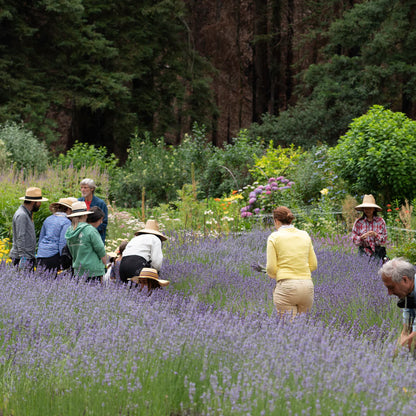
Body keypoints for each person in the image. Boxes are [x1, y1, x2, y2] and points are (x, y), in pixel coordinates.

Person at [266, 206, 317, 317]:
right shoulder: (304, 235)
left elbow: (271, 268)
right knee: (303, 327)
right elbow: (313, 265)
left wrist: (275, 275)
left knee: (289, 330)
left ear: (276, 221)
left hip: (286, 287)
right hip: (307, 287)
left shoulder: (274, 237)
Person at [378, 257, 416, 351]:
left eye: (391, 287)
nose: (389, 293)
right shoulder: (408, 294)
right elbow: (406, 330)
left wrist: (392, 356)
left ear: (405, 280)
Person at [65, 201, 107, 282]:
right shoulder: (89, 230)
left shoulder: (69, 231)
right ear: (85, 215)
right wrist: (104, 265)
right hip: (93, 271)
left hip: (78, 270)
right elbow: (101, 250)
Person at [10, 187, 48, 269]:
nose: (40, 204)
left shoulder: (28, 214)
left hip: (28, 256)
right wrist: (22, 258)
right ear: (33, 202)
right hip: (22, 257)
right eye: (39, 202)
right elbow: (21, 237)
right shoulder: (22, 215)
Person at [119, 219, 167, 284]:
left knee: (127, 289)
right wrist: (156, 274)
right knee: (144, 289)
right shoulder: (155, 239)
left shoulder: (135, 238)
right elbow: (156, 262)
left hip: (123, 265)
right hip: (137, 264)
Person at [37, 198, 73, 272]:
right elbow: (62, 242)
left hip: (41, 253)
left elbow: (41, 237)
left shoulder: (48, 219)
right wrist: (63, 260)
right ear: (68, 210)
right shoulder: (66, 222)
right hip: (53, 255)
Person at [352, 194, 387, 260]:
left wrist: (375, 235)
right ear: (363, 209)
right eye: (366, 208)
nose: (368, 210)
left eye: (370, 208)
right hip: (363, 252)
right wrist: (360, 238)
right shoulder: (358, 222)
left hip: (378, 252)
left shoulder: (380, 221)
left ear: (374, 209)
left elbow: (384, 239)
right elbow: (354, 239)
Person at [78, 178, 108, 244]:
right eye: (81, 188)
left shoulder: (100, 203)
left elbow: (104, 223)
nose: (83, 190)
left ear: (92, 189)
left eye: (85, 188)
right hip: (80, 237)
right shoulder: (78, 202)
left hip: (96, 237)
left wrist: (90, 232)